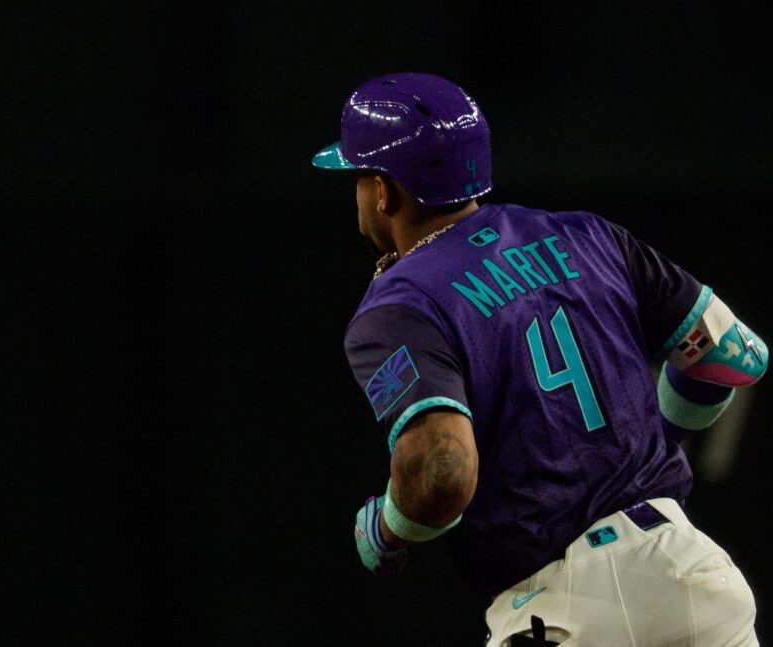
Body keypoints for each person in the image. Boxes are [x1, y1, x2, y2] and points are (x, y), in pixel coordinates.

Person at [312, 72, 766, 645]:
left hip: (564, 609)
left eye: (358, 176)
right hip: (692, 574)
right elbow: (734, 356)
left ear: (383, 191)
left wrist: (388, 527)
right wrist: (662, 432)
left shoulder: (399, 304)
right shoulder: (586, 233)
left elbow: (443, 471)